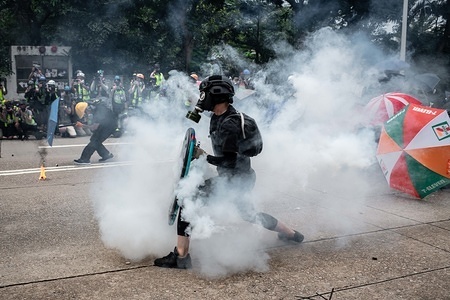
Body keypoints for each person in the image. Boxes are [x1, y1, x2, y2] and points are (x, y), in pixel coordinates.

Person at [154, 75, 304, 269]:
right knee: (250, 214)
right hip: (241, 179)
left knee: (187, 200)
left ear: (217, 96)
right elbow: (201, 112)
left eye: (205, 94)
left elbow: (229, 161)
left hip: (234, 180)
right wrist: (187, 93)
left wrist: (203, 156)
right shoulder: (220, 115)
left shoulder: (229, 125)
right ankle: (291, 234)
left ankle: (181, 257)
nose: (202, 98)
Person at [73, 99, 117, 165]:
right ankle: (106, 155)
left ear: (87, 109)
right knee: (95, 140)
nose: (85, 115)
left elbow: (94, 127)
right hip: (106, 125)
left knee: (94, 141)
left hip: (109, 126)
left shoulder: (98, 111)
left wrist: (82, 125)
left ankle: (85, 159)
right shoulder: (95, 108)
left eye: (85, 113)